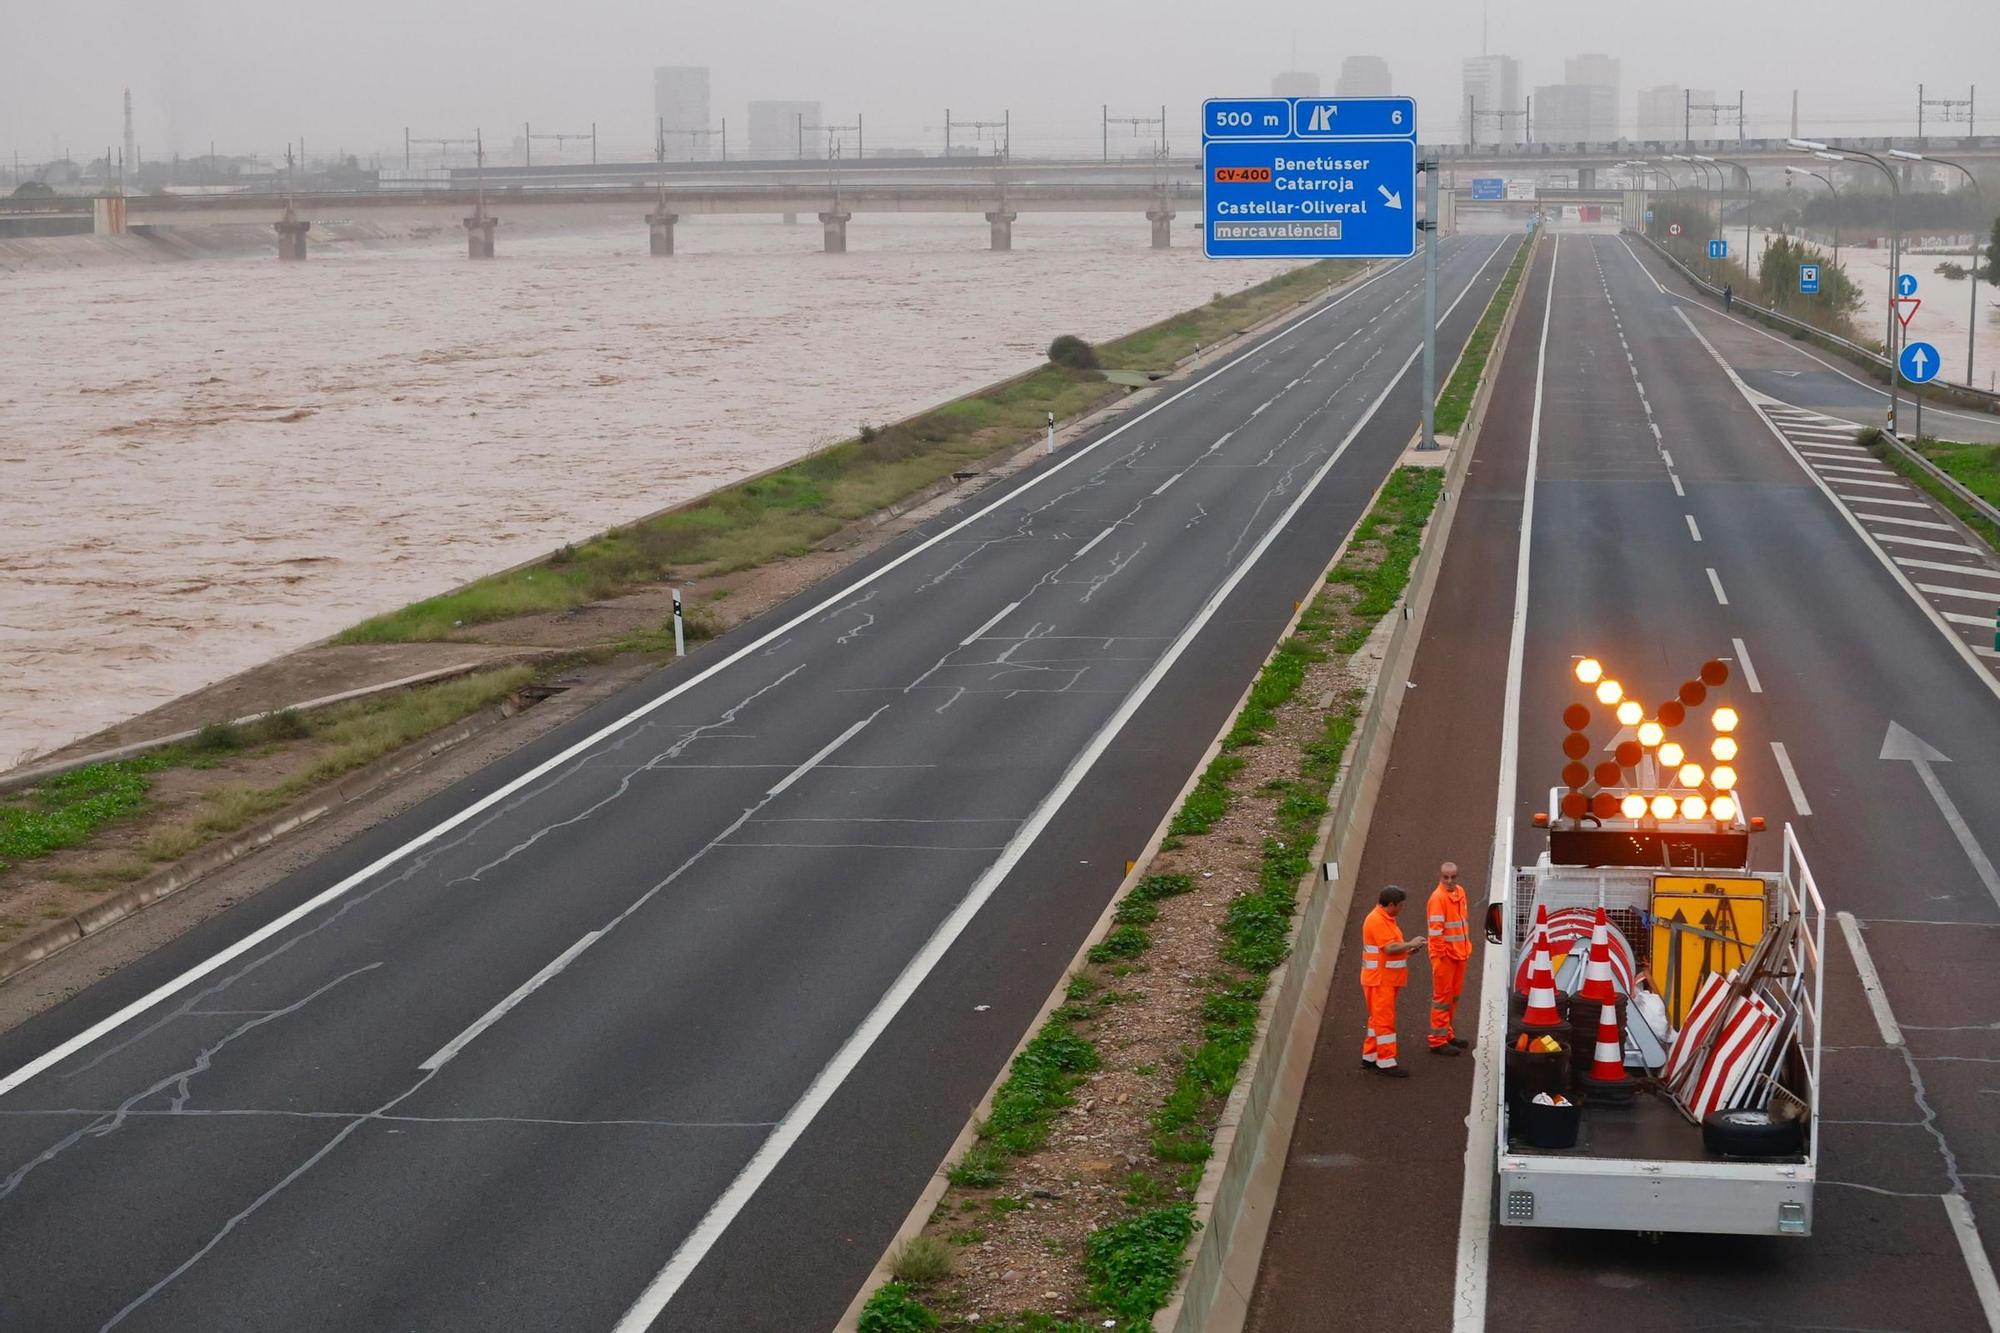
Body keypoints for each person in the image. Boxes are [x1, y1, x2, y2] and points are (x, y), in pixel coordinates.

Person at [1361, 885, 1426, 1078]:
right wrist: (1411, 944)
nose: (1401, 908)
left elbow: (1390, 949)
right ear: (1391, 904)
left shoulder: (1384, 918)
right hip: (1380, 980)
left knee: (1376, 1019)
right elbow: (1389, 948)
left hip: (1382, 978)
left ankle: (1370, 1056)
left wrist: (1408, 950)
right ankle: (1386, 1061)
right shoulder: (1378, 921)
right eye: (1400, 905)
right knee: (1384, 1021)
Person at [1426, 862, 1473, 1056]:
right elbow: (1435, 933)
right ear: (1440, 877)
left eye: (1453, 877)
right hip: (1445, 957)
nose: (1449, 881)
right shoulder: (1438, 898)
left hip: (1459, 953)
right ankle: (1437, 1040)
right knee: (1442, 999)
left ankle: (1447, 1033)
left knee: (1453, 997)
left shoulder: (1460, 893)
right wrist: (1441, 957)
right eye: (1446, 877)